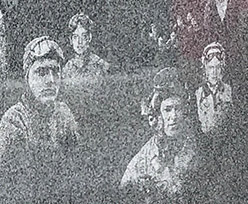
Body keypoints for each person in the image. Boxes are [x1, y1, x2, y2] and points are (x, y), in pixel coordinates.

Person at [0, 37, 79, 203]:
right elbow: (17, 188)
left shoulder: (64, 114)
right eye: (41, 72)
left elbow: (75, 173)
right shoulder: (14, 120)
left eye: (55, 71)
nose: (50, 80)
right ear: (27, 78)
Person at [121, 67, 199, 200]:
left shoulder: (196, 148)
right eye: (167, 110)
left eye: (178, 109)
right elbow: (123, 190)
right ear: (159, 115)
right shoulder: (145, 156)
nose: (173, 116)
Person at [195, 42, 232, 134]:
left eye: (218, 67)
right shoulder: (198, 92)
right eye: (211, 67)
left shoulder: (228, 90)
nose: (214, 72)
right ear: (205, 68)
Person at [63, 12, 110, 80]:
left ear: (89, 38)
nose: (79, 42)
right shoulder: (67, 68)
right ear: (71, 40)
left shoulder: (101, 65)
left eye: (84, 36)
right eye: (75, 37)